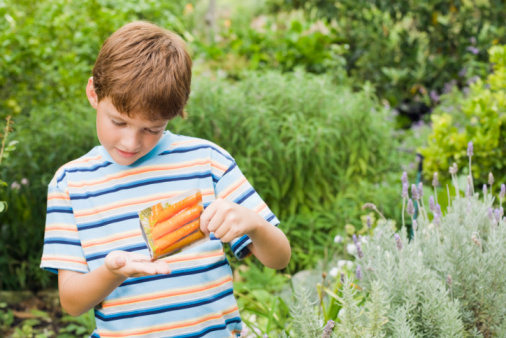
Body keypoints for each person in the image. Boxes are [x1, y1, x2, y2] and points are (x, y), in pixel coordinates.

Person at [40, 21, 291, 337]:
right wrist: (111, 272)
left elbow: (279, 258)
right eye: (118, 122)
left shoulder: (207, 162)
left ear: (176, 113)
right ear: (93, 93)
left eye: (152, 129)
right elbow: (72, 302)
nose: (131, 143)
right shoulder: (71, 183)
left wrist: (253, 224)